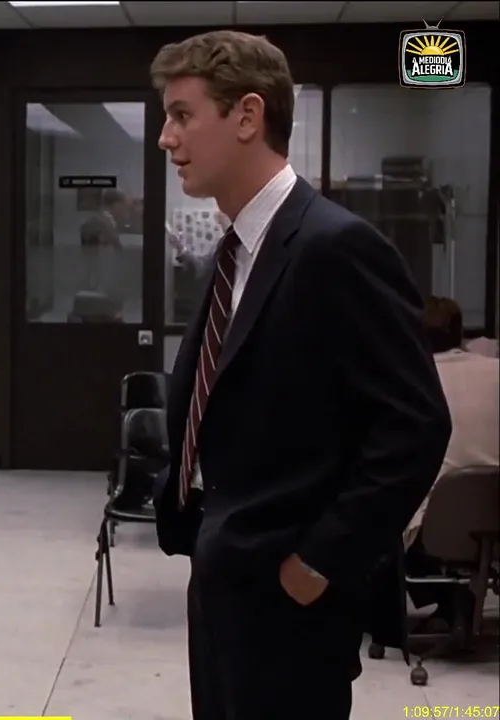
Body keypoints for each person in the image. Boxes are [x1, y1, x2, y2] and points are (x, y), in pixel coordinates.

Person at [148, 31, 452, 720]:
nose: (167, 138)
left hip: (290, 599)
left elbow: (414, 428)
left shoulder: (334, 247)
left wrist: (319, 563)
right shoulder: (234, 252)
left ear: (247, 116)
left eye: (183, 115)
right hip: (223, 578)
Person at [402, 297, 499, 619]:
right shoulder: (495, 370)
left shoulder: (409, 381)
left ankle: (445, 605)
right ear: (460, 332)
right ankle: (456, 606)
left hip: (434, 530)